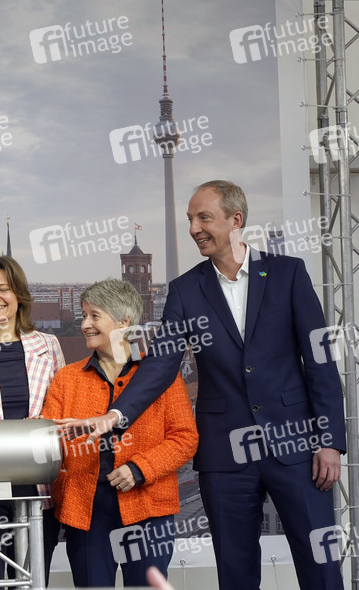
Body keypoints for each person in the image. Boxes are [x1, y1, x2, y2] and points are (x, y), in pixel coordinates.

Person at [61, 181, 346, 590]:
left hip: (297, 447)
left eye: (203, 218)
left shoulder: (288, 273)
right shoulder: (185, 289)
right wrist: (117, 414)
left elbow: (320, 362)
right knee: (235, 570)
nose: (194, 228)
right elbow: (161, 364)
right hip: (224, 457)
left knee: (321, 569)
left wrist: (329, 441)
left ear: (235, 220)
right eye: (190, 219)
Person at [41, 279, 198, 587]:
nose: (84, 325)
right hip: (86, 512)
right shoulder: (67, 379)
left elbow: (185, 438)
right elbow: (49, 441)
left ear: (124, 321)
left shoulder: (160, 376)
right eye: (83, 315)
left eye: (94, 316)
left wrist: (140, 469)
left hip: (148, 507)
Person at [0, 255, 65, 584]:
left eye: (3, 288)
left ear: (19, 294)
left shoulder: (48, 345)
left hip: (38, 485)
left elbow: (61, 410)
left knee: (33, 581)